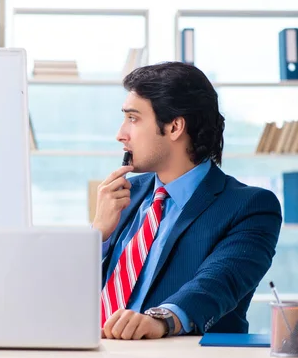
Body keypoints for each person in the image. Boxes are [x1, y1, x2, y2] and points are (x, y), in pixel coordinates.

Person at [93, 61, 282, 340]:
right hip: (94, 357)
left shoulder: (251, 207)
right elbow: (66, 289)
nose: (121, 134)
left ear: (174, 127)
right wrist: (97, 234)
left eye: (133, 119)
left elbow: (218, 283)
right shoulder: (123, 196)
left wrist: (161, 320)